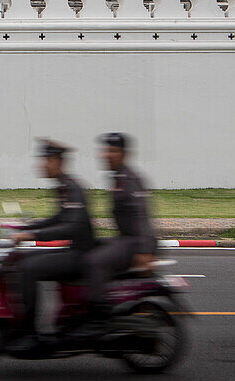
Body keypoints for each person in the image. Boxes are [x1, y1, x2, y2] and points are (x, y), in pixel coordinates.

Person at [13, 139, 96, 342]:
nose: (42, 165)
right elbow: (58, 218)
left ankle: (28, 331)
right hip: (74, 251)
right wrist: (26, 227)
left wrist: (33, 235)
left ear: (58, 162)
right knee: (20, 261)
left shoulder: (72, 188)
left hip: (80, 255)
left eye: (47, 160)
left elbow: (72, 226)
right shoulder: (64, 186)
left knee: (29, 268)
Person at [81, 132, 157, 330]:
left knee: (94, 261)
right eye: (105, 150)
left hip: (135, 242)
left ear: (124, 154)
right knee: (87, 250)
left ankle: (98, 316)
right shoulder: (118, 178)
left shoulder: (129, 180)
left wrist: (145, 250)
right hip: (126, 240)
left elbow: (142, 216)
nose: (106, 155)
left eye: (112, 151)